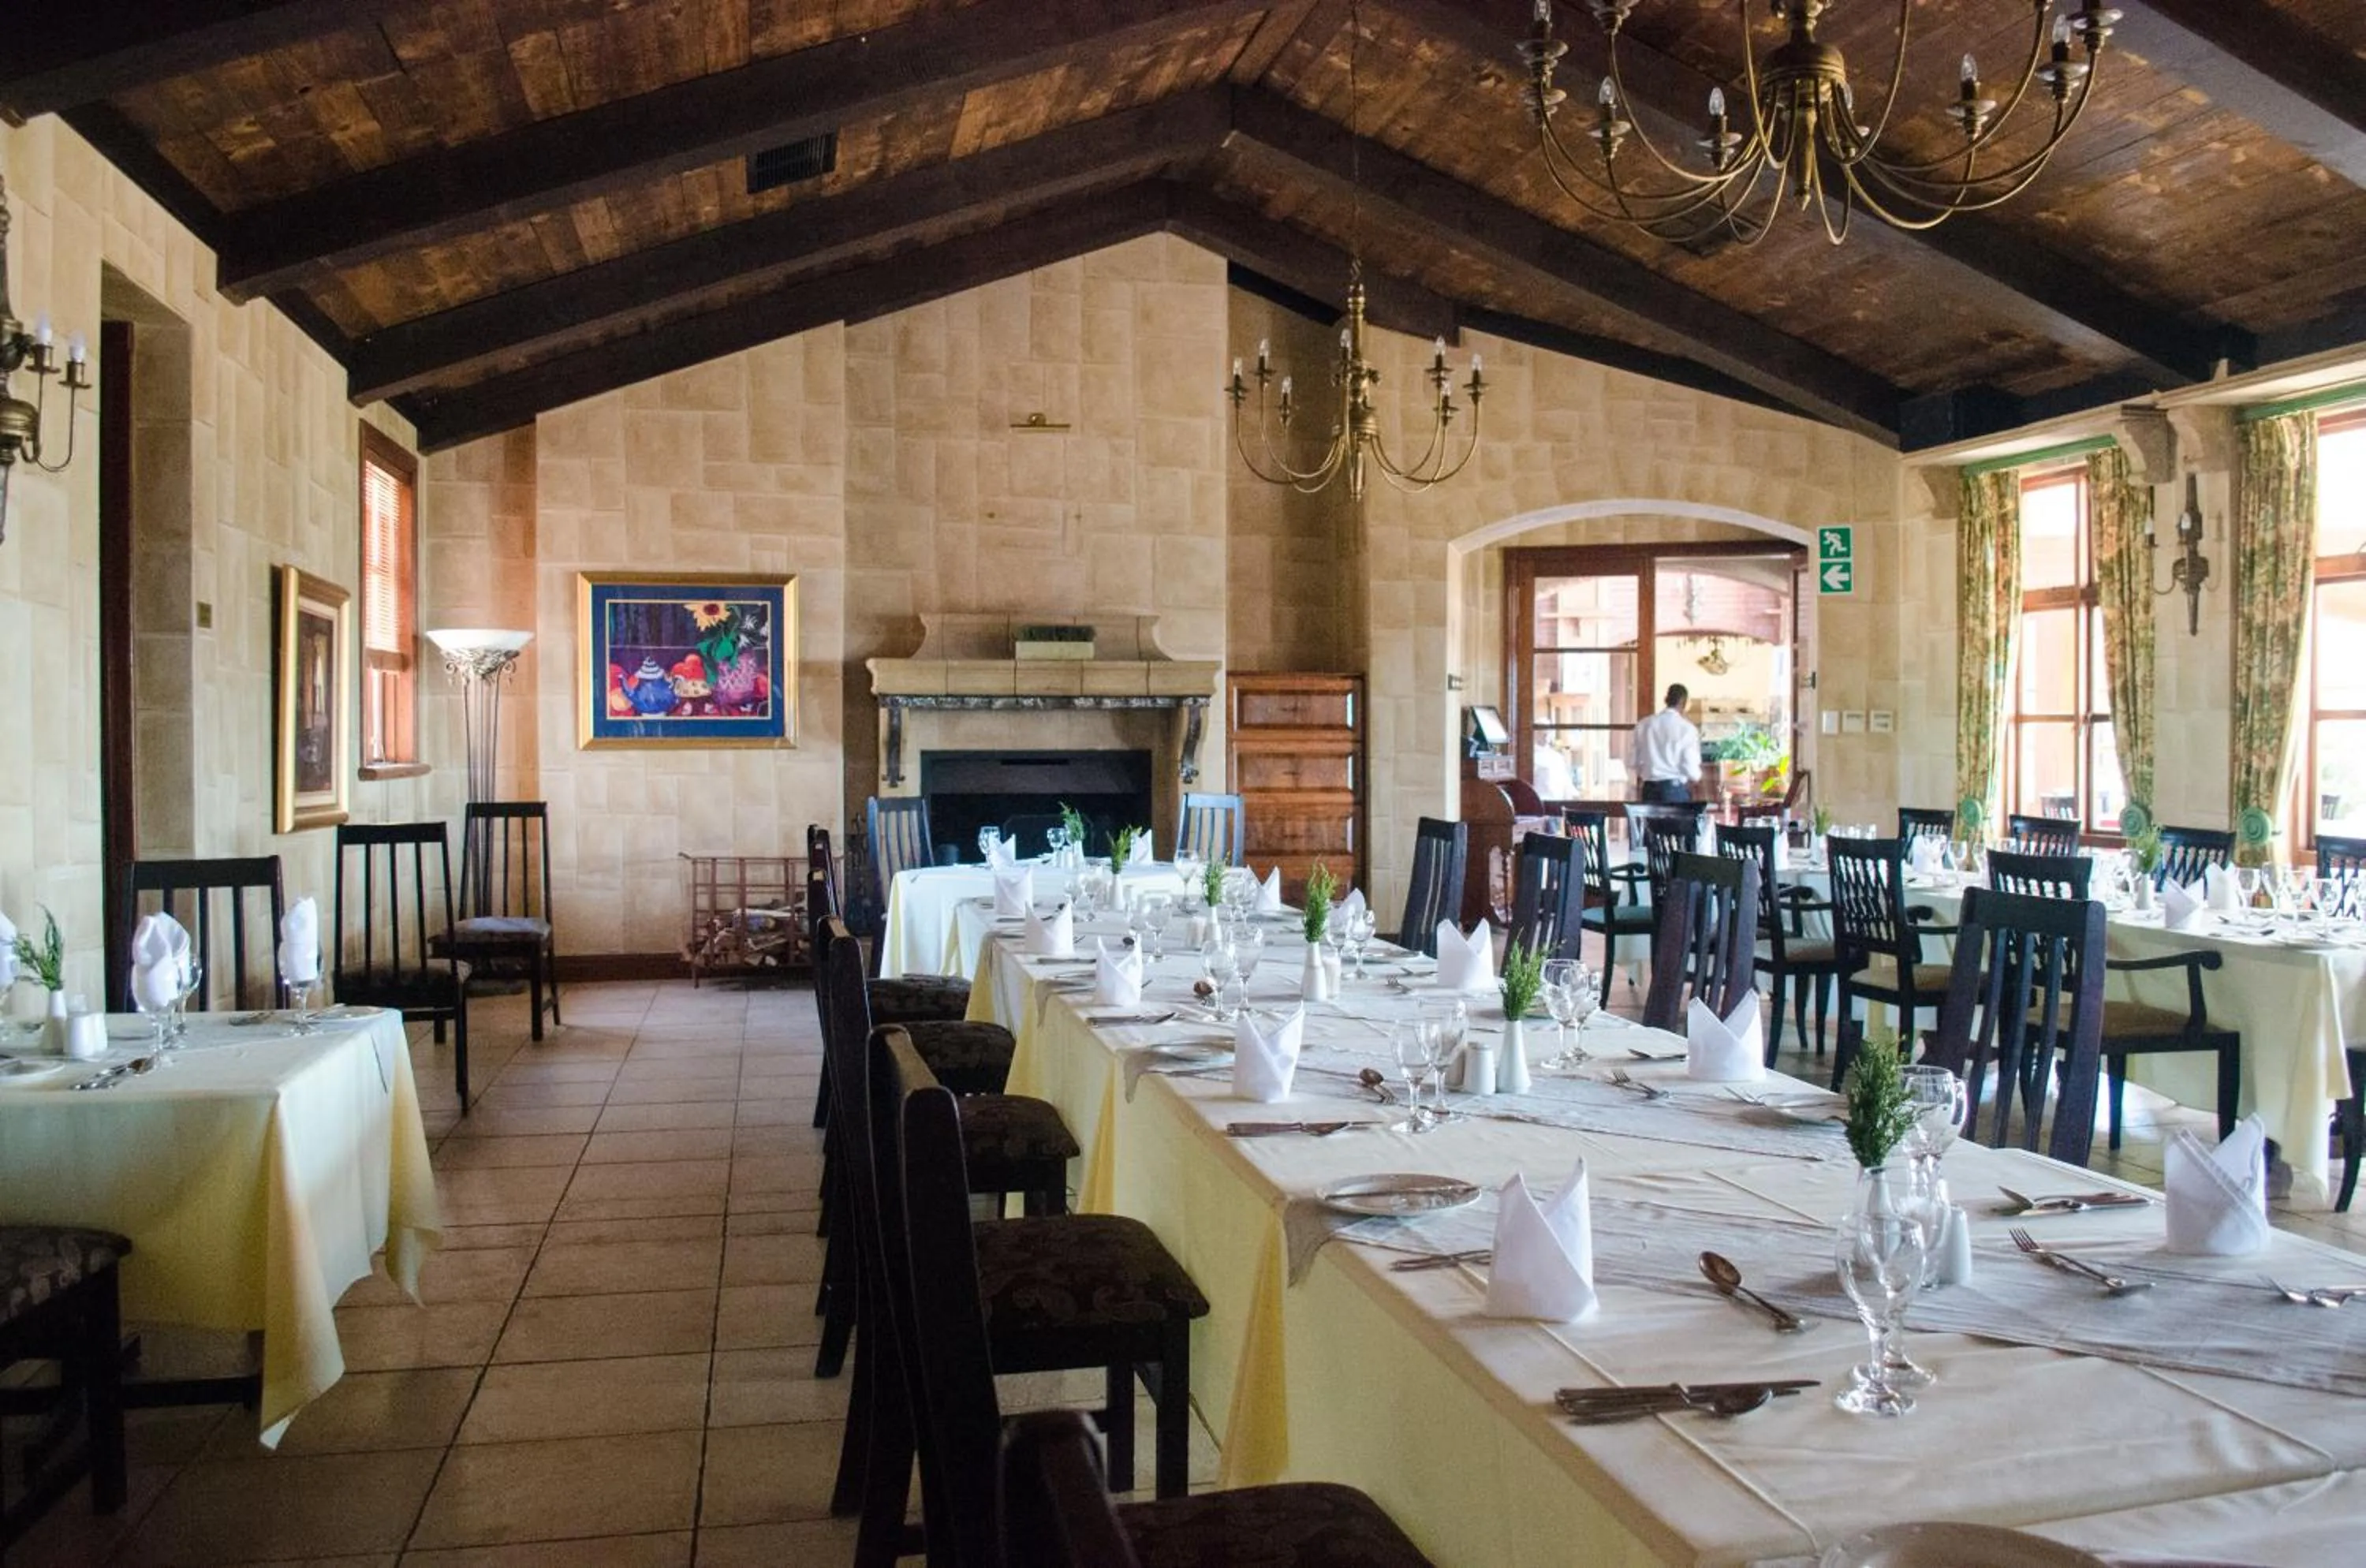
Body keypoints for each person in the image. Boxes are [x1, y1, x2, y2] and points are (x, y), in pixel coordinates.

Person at [1629, 684, 1700, 805]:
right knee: (1676, 824)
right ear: (1684, 702)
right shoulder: (1687, 729)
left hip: (1649, 790)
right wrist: (1695, 778)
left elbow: (1633, 762)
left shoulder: (1644, 725)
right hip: (1674, 790)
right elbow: (1691, 768)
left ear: (1666, 700)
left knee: (1650, 824)